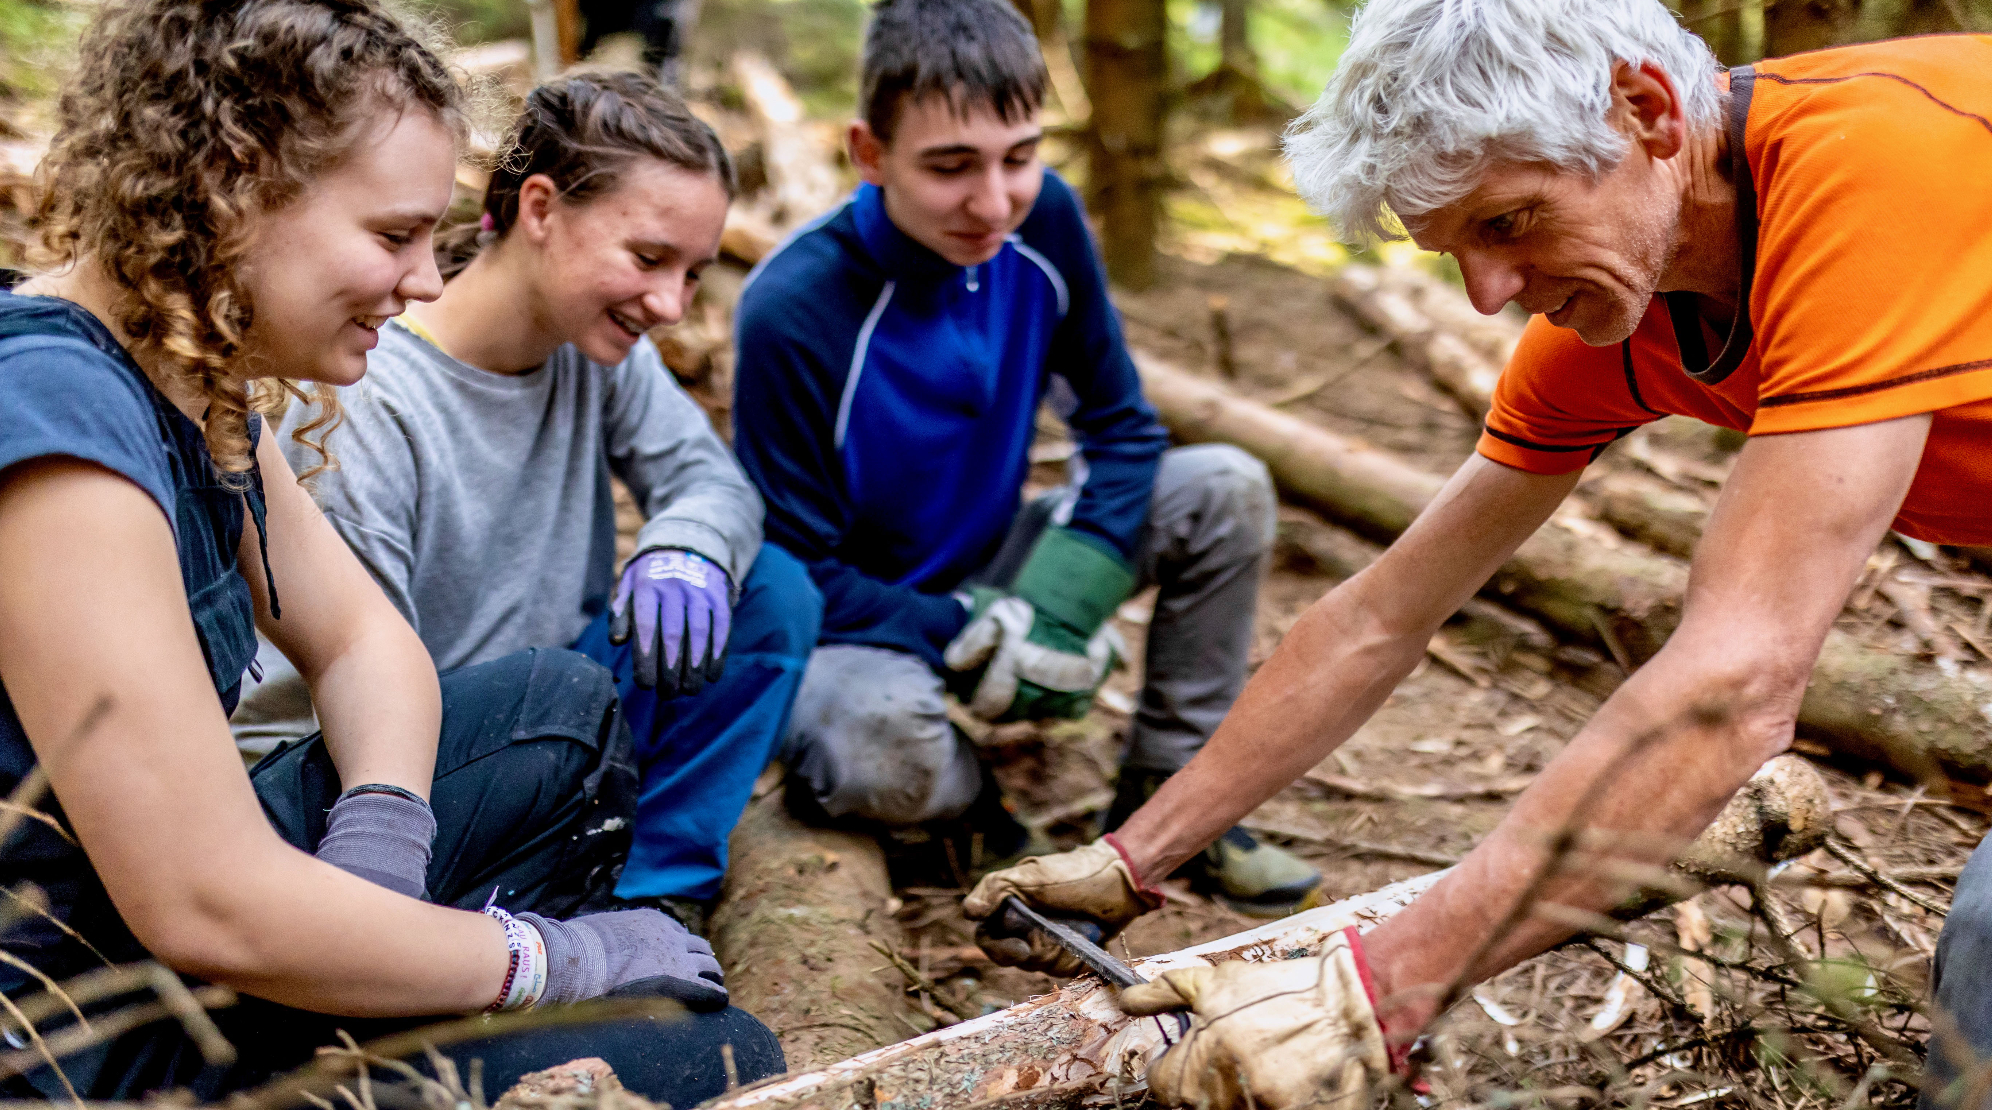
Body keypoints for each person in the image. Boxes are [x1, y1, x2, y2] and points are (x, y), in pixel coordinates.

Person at [961, 1, 1992, 1106]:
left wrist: (1378, 994)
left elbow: (1738, 684)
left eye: (1508, 223)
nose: (1489, 294)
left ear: (1643, 110)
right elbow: (1381, 617)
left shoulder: (1879, 169)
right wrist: (1136, 855)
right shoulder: (1619, 308)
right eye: (1453, 250)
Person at [0, 0, 781, 1100]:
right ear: (236, 182)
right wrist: (547, 960)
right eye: (392, 235)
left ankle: (384, 975)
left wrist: (382, 837)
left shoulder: (187, 379)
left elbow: (365, 636)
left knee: (555, 711)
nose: (426, 280)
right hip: (78, 1030)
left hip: (177, 936)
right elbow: (206, 901)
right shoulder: (64, 437)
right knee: (713, 1054)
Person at [730, 0, 1322, 913]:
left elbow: (1122, 430)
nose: (993, 200)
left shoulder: (1040, 220)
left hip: (1003, 552)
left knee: (1224, 487)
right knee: (869, 745)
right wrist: (968, 626)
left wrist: (1054, 607)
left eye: (1019, 156)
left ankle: (1174, 796)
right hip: (860, 623)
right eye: (950, 167)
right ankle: (976, 815)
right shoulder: (794, 308)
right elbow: (800, 574)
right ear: (869, 153)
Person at [232, 71, 822, 928]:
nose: (670, 305)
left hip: (569, 719)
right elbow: (336, 687)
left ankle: (655, 891)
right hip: (416, 767)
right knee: (564, 691)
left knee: (766, 591)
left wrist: (686, 544)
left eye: (694, 274)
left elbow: (710, 481)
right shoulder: (369, 402)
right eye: (649, 258)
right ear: (539, 209)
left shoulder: (594, 346)